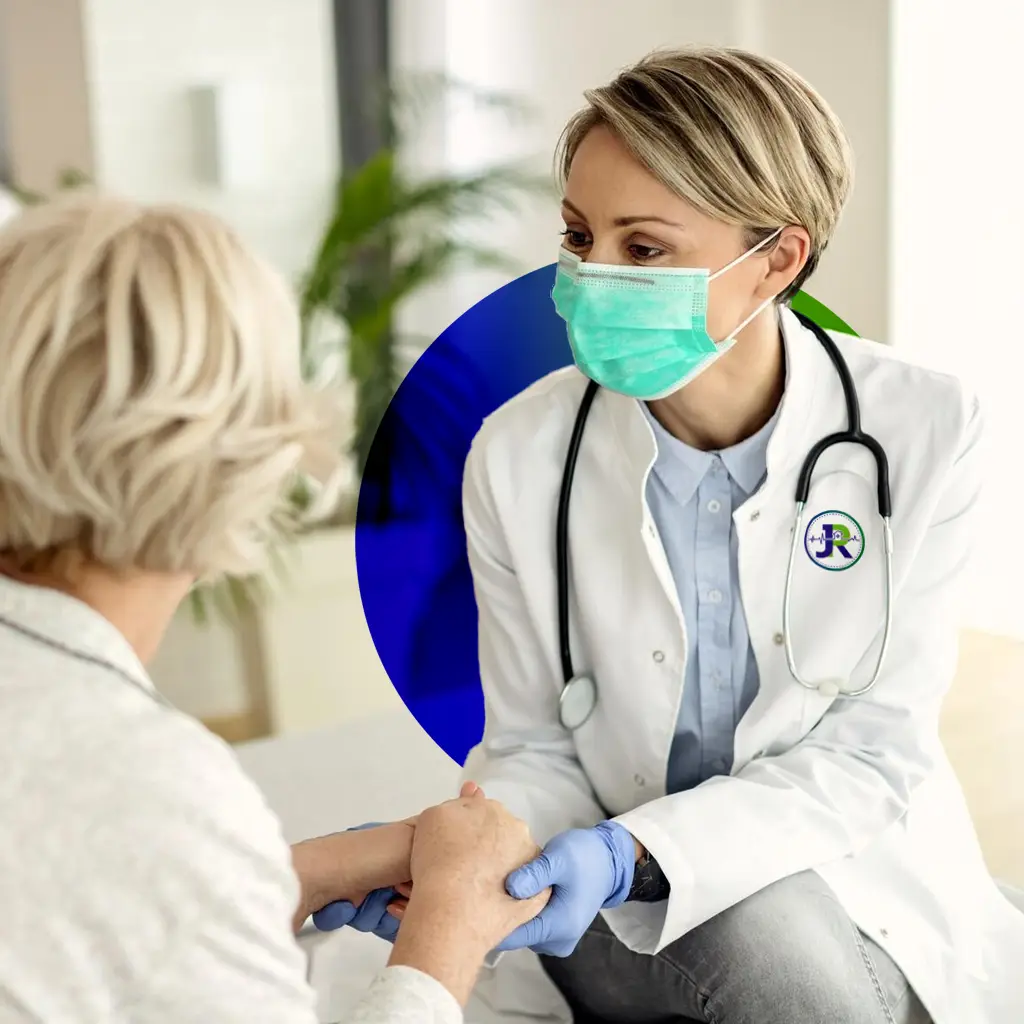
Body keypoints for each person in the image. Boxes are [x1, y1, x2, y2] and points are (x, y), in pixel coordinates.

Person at [449, 45, 1024, 1023]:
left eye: (642, 250)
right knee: (746, 940)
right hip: (603, 892)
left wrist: (639, 848)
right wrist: (500, 857)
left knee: (759, 922)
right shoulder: (517, 454)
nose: (590, 278)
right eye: (578, 236)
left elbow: (872, 752)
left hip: (846, 864)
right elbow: (532, 747)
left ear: (777, 261)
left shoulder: (925, 428)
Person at [0, 193, 546, 1023]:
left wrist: (278, 872)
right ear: (242, 465)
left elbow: (69, 896)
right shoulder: (149, 787)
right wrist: (450, 926)